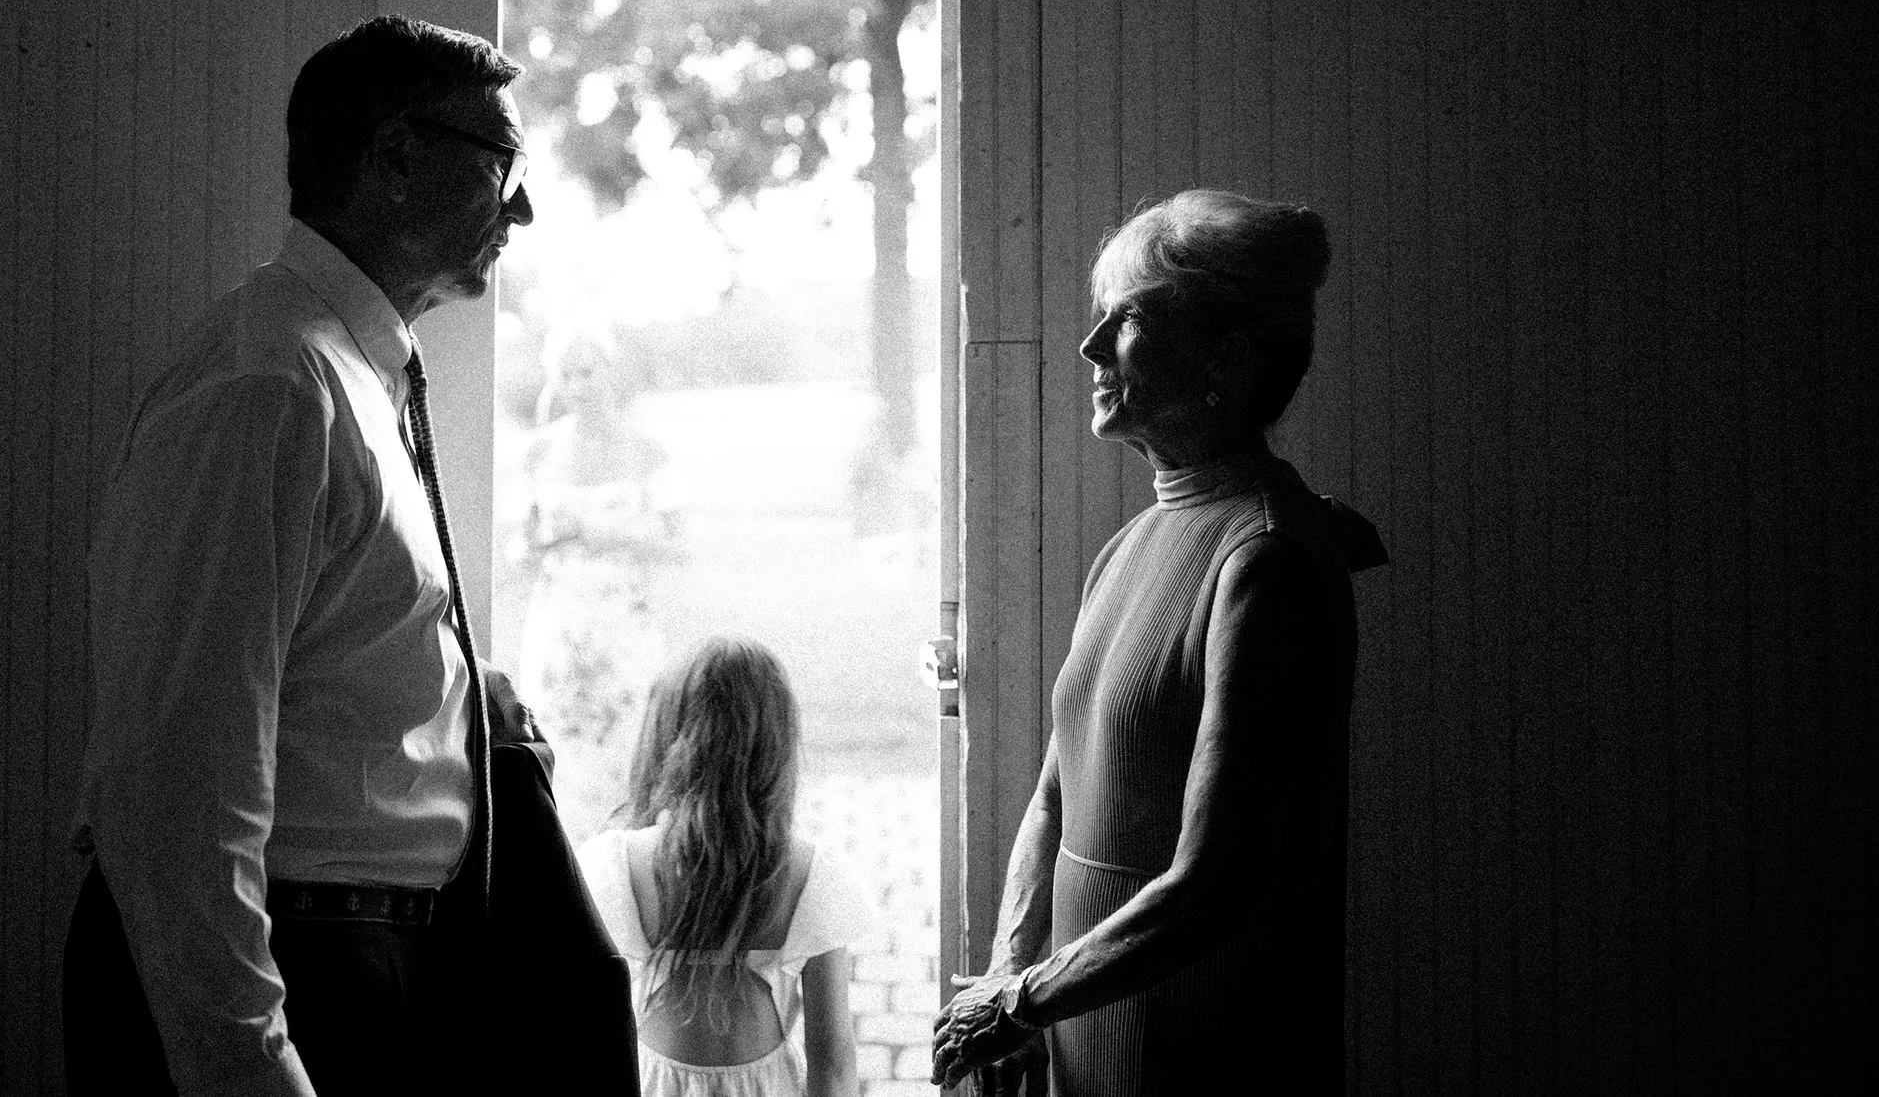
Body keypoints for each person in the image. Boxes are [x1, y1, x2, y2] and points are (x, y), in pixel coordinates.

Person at [63, 15, 536, 1096]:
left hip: (354, 964)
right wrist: (245, 1065)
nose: (522, 204)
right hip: (285, 975)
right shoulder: (270, 388)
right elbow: (174, 779)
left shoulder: (346, 378)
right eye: (501, 160)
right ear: (396, 155)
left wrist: (461, 693)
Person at [931, 191, 1387, 1097]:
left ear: (1228, 355)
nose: (1094, 347)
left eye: (1129, 318)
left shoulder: (1267, 557)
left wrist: (1023, 1000)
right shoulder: (1133, 544)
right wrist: (1010, 972)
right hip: (1087, 1018)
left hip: (1209, 1037)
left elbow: (1219, 879)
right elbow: (1057, 785)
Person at [577, 638, 874, 1097]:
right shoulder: (813, 877)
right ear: (776, 748)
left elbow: (581, 1036)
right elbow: (833, 1066)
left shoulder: (612, 866)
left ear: (666, 736)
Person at [514, 324, 681, 839]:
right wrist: (539, 543)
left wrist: (595, 529)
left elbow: (676, 546)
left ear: (612, 372)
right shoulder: (538, 452)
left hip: (625, 633)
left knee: (630, 754)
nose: (579, 384)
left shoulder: (648, 452)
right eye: (567, 374)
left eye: (588, 370)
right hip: (560, 634)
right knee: (559, 763)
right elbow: (519, 552)